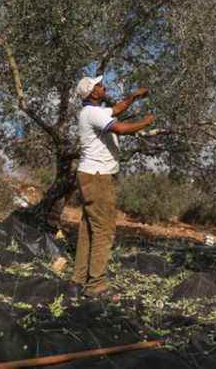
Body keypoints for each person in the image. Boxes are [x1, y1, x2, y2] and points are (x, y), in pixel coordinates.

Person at [68, 75, 155, 299]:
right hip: (98, 177)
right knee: (104, 230)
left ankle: (78, 280)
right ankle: (96, 285)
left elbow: (116, 109)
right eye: (99, 85)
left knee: (89, 229)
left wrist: (133, 97)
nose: (103, 86)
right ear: (91, 92)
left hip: (90, 175)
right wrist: (145, 123)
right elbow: (122, 128)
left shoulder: (93, 111)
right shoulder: (93, 113)